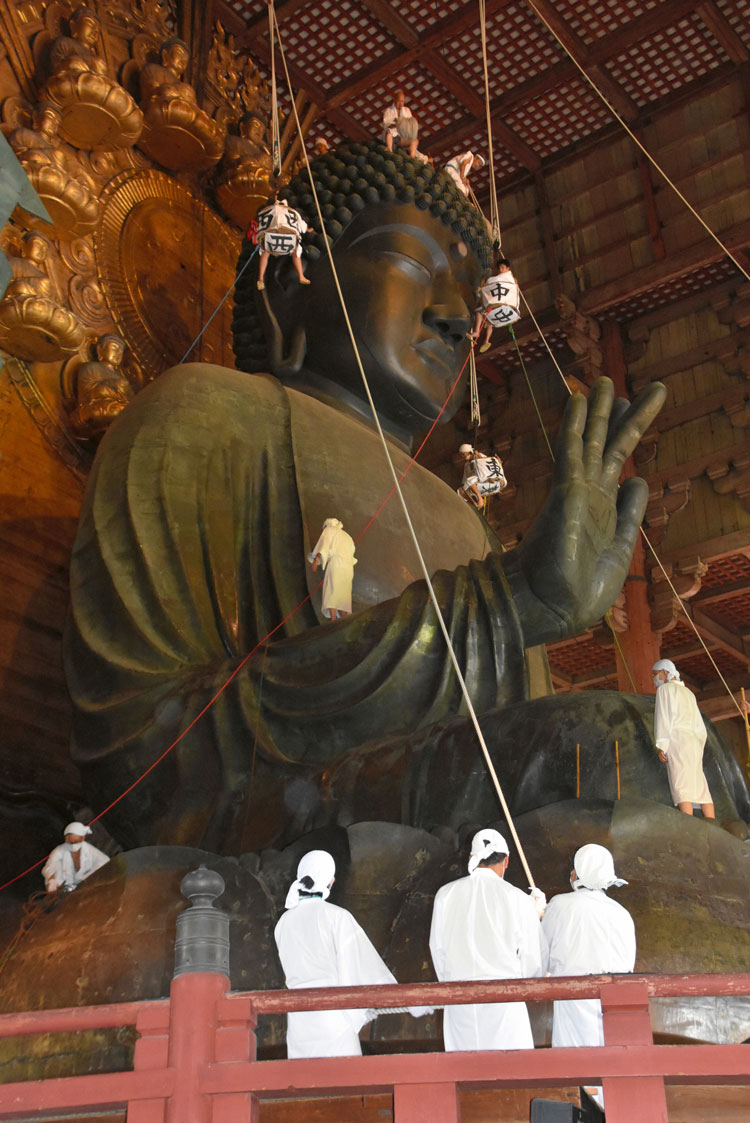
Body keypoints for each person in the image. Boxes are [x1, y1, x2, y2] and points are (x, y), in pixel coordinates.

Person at [65, 140, 666, 851]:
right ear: (290, 288)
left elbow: (508, 741)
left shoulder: (468, 526)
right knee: (604, 754)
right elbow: (139, 754)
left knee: (648, 751)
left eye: (470, 302)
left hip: (450, 821)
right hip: (271, 821)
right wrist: (505, 604)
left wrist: (520, 606)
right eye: (416, 266)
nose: (453, 317)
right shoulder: (203, 414)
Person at [274, 850, 428, 1057]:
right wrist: (407, 1001)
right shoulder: (336, 917)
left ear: (299, 878)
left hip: (299, 1020)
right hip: (332, 1017)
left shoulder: (283, 922)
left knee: (305, 1082)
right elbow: (364, 966)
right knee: (341, 1081)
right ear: (331, 881)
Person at [429, 829, 546, 1051]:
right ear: (507, 861)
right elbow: (534, 962)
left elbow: (438, 949)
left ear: (472, 857)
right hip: (505, 1002)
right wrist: (536, 915)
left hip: (460, 1001)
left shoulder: (446, 894)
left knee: (464, 1073)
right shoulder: (518, 899)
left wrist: (452, 983)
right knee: (509, 1074)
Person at [542, 843, 636, 1111]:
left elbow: (542, 957)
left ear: (576, 874)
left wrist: (539, 912)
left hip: (572, 1004)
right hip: (611, 1008)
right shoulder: (622, 914)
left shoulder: (559, 906)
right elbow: (627, 966)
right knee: (608, 1081)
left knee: (573, 1075)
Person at [652, 658, 714, 818]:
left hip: (677, 740)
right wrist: (699, 744)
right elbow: (700, 725)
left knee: (681, 784)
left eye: (656, 674)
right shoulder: (689, 693)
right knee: (699, 783)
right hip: (694, 742)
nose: (654, 678)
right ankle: (711, 821)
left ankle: (689, 825)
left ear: (665, 672)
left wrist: (661, 746)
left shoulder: (664, 690)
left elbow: (664, 718)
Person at [255, 195, 311, 289]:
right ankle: (301, 276)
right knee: (296, 253)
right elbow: (302, 227)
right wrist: (308, 229)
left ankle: (260, 278)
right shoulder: (293, 212)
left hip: (271, 243)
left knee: (265, 253)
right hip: (288, 244)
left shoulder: (267, 210)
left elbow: (260, 228)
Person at [308, 517, 357, 619]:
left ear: (327, 525)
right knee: (344, 595)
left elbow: (324, 547)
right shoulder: (348, 536)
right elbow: (351, 554)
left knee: (332, 591)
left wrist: (316, 560)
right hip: (348, 568)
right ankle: (344, 621)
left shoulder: (329, 530)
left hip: (336, 565)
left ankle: (333, 619)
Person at [470, 251, 518, 352]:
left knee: (479, 312)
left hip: (499, 305)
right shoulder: (506, 279)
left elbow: (490, 285)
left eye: (503, 268)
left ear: (508, 269)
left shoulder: (509, 279)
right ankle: (486, 340)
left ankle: (476, 332)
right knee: (489, 321)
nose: (501, 270)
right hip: (500, 306)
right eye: (500, 268)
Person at [42, 822, 109, 893]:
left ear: (83, 838)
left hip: (78, 886)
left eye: (76, 842)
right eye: (70, 842)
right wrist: (52, 881)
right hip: (58, 886)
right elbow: (49, 867)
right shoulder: (59, 851)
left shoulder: (90, 851)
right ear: (66, 839)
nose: (73, 845)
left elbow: (105, 861)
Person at [457, 443, 507, 510]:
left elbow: (486, 465)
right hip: (479, 486)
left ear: (469, 452)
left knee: (469, 482)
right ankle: (474, 503)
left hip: (491, 483)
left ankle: (480, 501)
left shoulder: (480, 457)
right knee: (461, 491)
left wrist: (478, 455)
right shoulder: (466, 465)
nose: (462, 456)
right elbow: (464, 482)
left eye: (463, 454)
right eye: (461, 455)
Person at [382, 89, 417, 157]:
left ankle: (412, 156)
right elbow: (385, 124)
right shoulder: (388, 110)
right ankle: (389, 149)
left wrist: (402, 123)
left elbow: (410, 124)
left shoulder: (407, 110)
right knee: (389, 132)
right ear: (395, 100)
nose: (401, 103)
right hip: (392, 136)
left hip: (403, 137)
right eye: (399, 101)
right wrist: (395, 123)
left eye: (402, 101)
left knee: (415, 140)